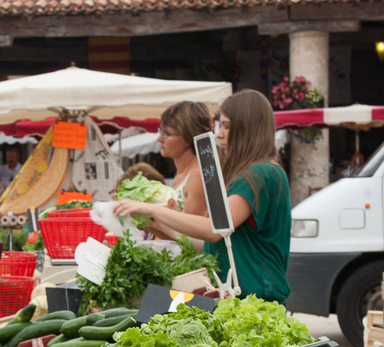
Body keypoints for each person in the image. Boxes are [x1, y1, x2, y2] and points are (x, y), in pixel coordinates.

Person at [123, 90, 291, 302]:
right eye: (221, 125)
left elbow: (215, 229)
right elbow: (212, 244)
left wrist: (151, 208)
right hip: (235, 296)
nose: (219, 134)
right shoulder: (255, 172)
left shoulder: (260, 173)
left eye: (227, 126)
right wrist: (158, 224)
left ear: (249, 129)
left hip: (254, 299)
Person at [112, 102, 212, 240]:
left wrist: (149, 212)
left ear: (188, 138)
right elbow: (173, 234)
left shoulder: (197, 175)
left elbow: (189, 239)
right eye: (160, 131)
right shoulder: (181, 175)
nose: (159, 138)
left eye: (167, 134)